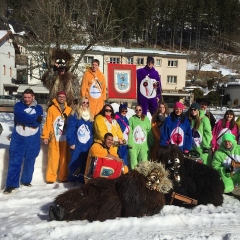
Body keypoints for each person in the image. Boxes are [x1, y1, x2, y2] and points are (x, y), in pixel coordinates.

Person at [3, 89, 43, 194]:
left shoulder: (39, 108)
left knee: (30, 159)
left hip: (33, 137)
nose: (27, 99)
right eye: (25, 97)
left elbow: (37, 123)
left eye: (29, 97)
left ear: (33, 97)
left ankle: (26, 180)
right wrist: (32, 119)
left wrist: (26, 120)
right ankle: (11, 184)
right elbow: (19, 117)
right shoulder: (18, 106)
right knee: (15, 160)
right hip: (18, 136)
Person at [41, 91, 72, 183]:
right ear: (57, 97)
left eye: (63, 97)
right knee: (53, 158)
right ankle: (50, 178)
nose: (62, 98)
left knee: (64, 158)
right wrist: (45, 136)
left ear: (66, 98)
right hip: (54, 137)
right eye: (60, 96)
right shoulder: (52, 109)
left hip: (65, 138)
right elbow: (47, 123)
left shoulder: (69, 109)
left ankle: (63, 177)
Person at [66, 97, 93, 184]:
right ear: (80, 103)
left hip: (87, 144)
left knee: (85, 162)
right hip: (77, 143)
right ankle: (72, 179)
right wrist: (71, 142)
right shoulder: (75, 115)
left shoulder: (90, 116)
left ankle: (81, 180)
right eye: (83, 102)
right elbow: (70, 130)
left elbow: (91, 131)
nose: (85, 104)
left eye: (87, 103)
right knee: (75, 162)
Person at [128, 105, 154, 169]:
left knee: (144, 161)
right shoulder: (131, 119)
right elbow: (130, 132)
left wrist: (151, 142)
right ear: (135, 111)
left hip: (144, 144)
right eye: (137, 110)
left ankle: (143, 175)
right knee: (134, 161)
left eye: (140, 110)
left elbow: (149, 131)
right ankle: (134, 176)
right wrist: (130, 143)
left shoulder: (146, 119)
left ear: (142, 110)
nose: (138, 111)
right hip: (134, 144)